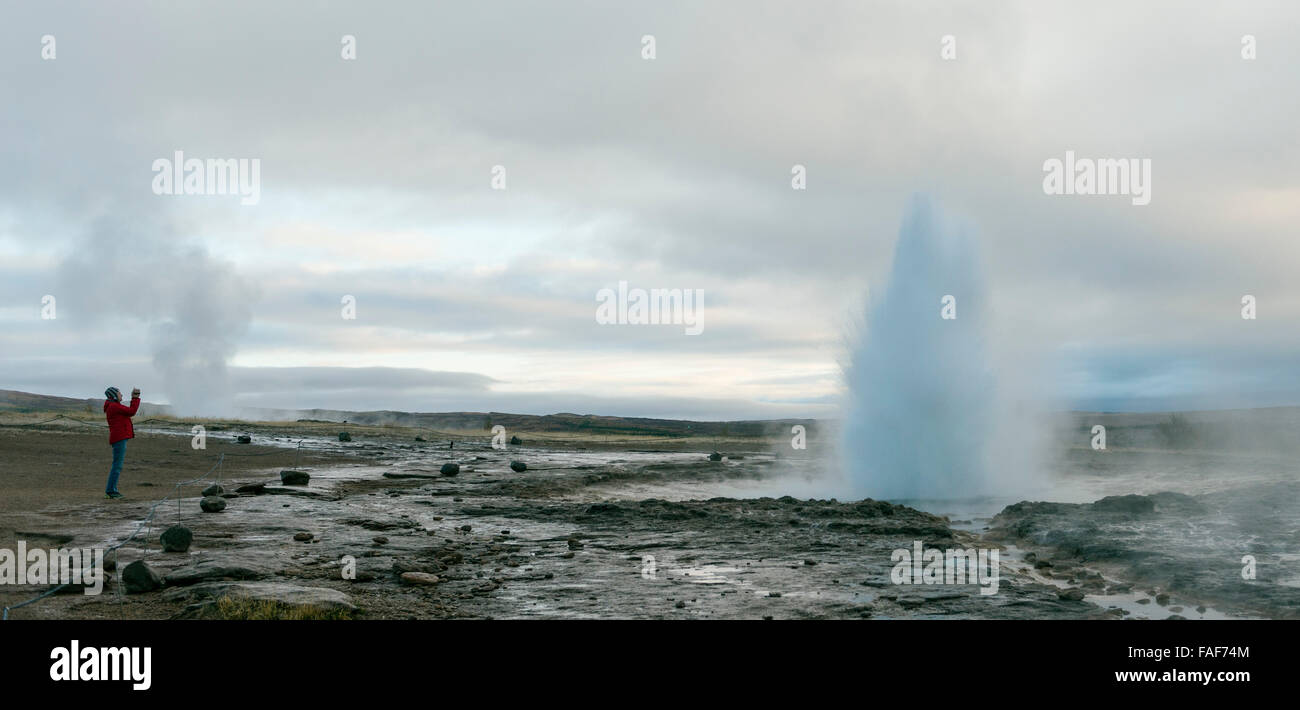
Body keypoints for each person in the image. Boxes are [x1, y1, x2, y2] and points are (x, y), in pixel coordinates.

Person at [103, 386, 140, 499]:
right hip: (119, 439)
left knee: (117, 465)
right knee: (117, 466)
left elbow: (128, 413)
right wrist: (135, 398)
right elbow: (131, 411)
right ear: (114, 395)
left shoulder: (113, 406)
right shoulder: (114, 406)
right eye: (119, 393)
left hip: (119, 438)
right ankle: (111, 491)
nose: (122, 395)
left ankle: (111, 490)